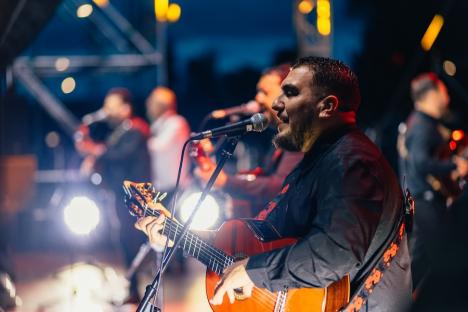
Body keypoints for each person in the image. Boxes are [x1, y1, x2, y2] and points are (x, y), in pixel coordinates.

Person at [136, 57, 412, 311]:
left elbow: (336, 252)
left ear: (327, 106)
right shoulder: (319, 160)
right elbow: (263, 241)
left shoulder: (352, 161)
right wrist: (176, 232)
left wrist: (254, 272)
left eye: (290, 93)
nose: (276, 104)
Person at [195, 64, 303, 217]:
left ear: (288, 96)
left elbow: (279, 188)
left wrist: (227, 182)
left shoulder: (299, 134)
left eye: (265, 92)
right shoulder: (282, 135)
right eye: (258, 91)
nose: (258, 98)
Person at [75, 88, 151, 302]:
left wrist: (93, 150)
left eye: (112, 105)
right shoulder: (120, 130)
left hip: (134, 197)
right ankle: (133, 288)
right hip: (121, 195)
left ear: (126, 108)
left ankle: (137, 289)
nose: (106, 110)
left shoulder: (136, 129)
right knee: (125, 240)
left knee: (132, 239)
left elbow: (119, 155)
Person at [399, 73, 468, 290]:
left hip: (419, 202)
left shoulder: (417, 122)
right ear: (432, 94)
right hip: (426, 203)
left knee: (420, 261)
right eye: (444, 92)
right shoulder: (422, 126)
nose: (447, 97)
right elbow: (421, 163)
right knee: (448, 261)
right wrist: (455, 166)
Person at [146, 87, 191, 200]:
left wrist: (136, 140)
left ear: (161, 106)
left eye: (151, 103)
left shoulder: (176, 123)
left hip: (175, 189)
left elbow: (159, 146)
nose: (148, 106)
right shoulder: (157, 126)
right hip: (160, 188)